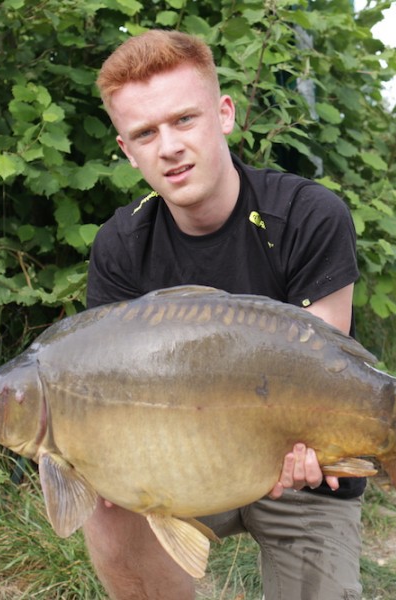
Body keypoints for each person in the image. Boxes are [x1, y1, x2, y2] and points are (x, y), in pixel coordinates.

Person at [85, 29, 365, 600]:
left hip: (294, 468)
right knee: (106, 508)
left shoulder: (309, 215)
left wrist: (319, 443)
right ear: (126, 149)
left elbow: (326, 382)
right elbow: (107, 388)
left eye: (184, 120)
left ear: (224, 113)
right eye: (145, 133)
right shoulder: (120, 246)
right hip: (180, 466)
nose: (168, 147)